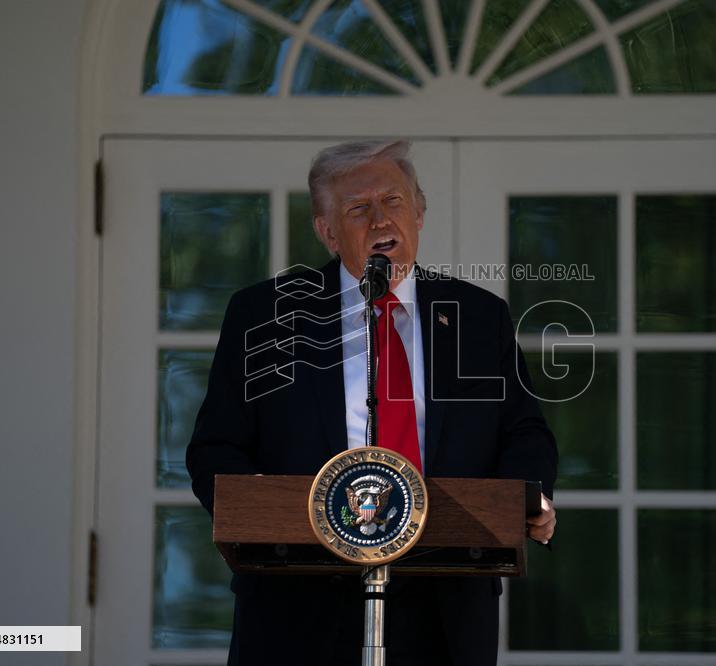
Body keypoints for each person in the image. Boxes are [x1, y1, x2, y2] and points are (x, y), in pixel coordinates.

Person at [186, 139, 557, 666]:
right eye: (359, 208)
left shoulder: (477, 317)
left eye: (395, 202)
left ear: (420, 214)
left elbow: (525, 432)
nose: (382, 219)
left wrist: (531, 493)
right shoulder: (264, 316)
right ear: (327, 231)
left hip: (444, 599)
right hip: (298, 600)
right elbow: (215, 448)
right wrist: (261, 507)